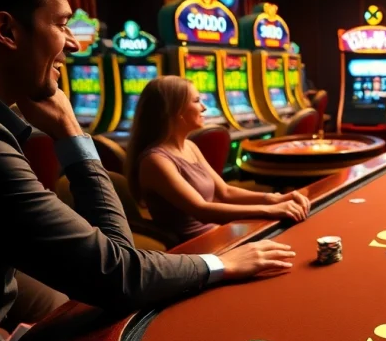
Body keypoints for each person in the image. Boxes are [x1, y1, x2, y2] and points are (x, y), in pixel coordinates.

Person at [0, 0, 297, 341]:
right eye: (62, 24)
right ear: (6, 30)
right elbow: (119, 271)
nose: (74, 42)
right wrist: (223, 263)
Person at [126, 76, 310, 243]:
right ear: (175, 110)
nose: (204, 107)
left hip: (217, 232)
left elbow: (225, 192)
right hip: (193, 249)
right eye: (197, 101)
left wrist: (274, 199)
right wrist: (269, 211)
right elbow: (202, 210)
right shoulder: (155, 161)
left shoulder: (190, 146)